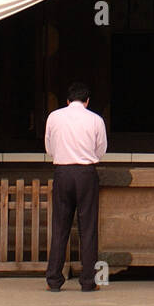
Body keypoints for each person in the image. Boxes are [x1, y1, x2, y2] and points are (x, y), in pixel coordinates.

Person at [44, 81, 107, 292]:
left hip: (62, 172)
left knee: (60, 226)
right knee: (87, 228)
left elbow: (49, 146)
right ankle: (88, 281)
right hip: (86, 173)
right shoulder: (95, 119)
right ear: (87, 101)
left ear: (68, 100)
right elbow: (101, 149)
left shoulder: (54, 117)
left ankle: (53, 279)